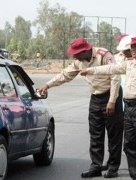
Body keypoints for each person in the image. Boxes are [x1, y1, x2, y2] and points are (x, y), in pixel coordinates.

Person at [38, 38, 124, 178]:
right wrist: (48, 85)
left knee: (114, 134)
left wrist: (112, 101)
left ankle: (113, 167)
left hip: (111, 96)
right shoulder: (80, 61)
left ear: (85, 50)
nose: (74, 57)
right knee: (95, 134)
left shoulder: (104, 55)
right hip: (96, 97)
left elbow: (115, 76)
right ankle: (96, 166)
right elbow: (65, 75)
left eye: (76, 53)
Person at [80, 36, 136, 180]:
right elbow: (111, 68)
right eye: (131, 47)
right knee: (130, 147)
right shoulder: (129, 63)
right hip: (129, 109)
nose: (132, 50)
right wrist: (90, 70)